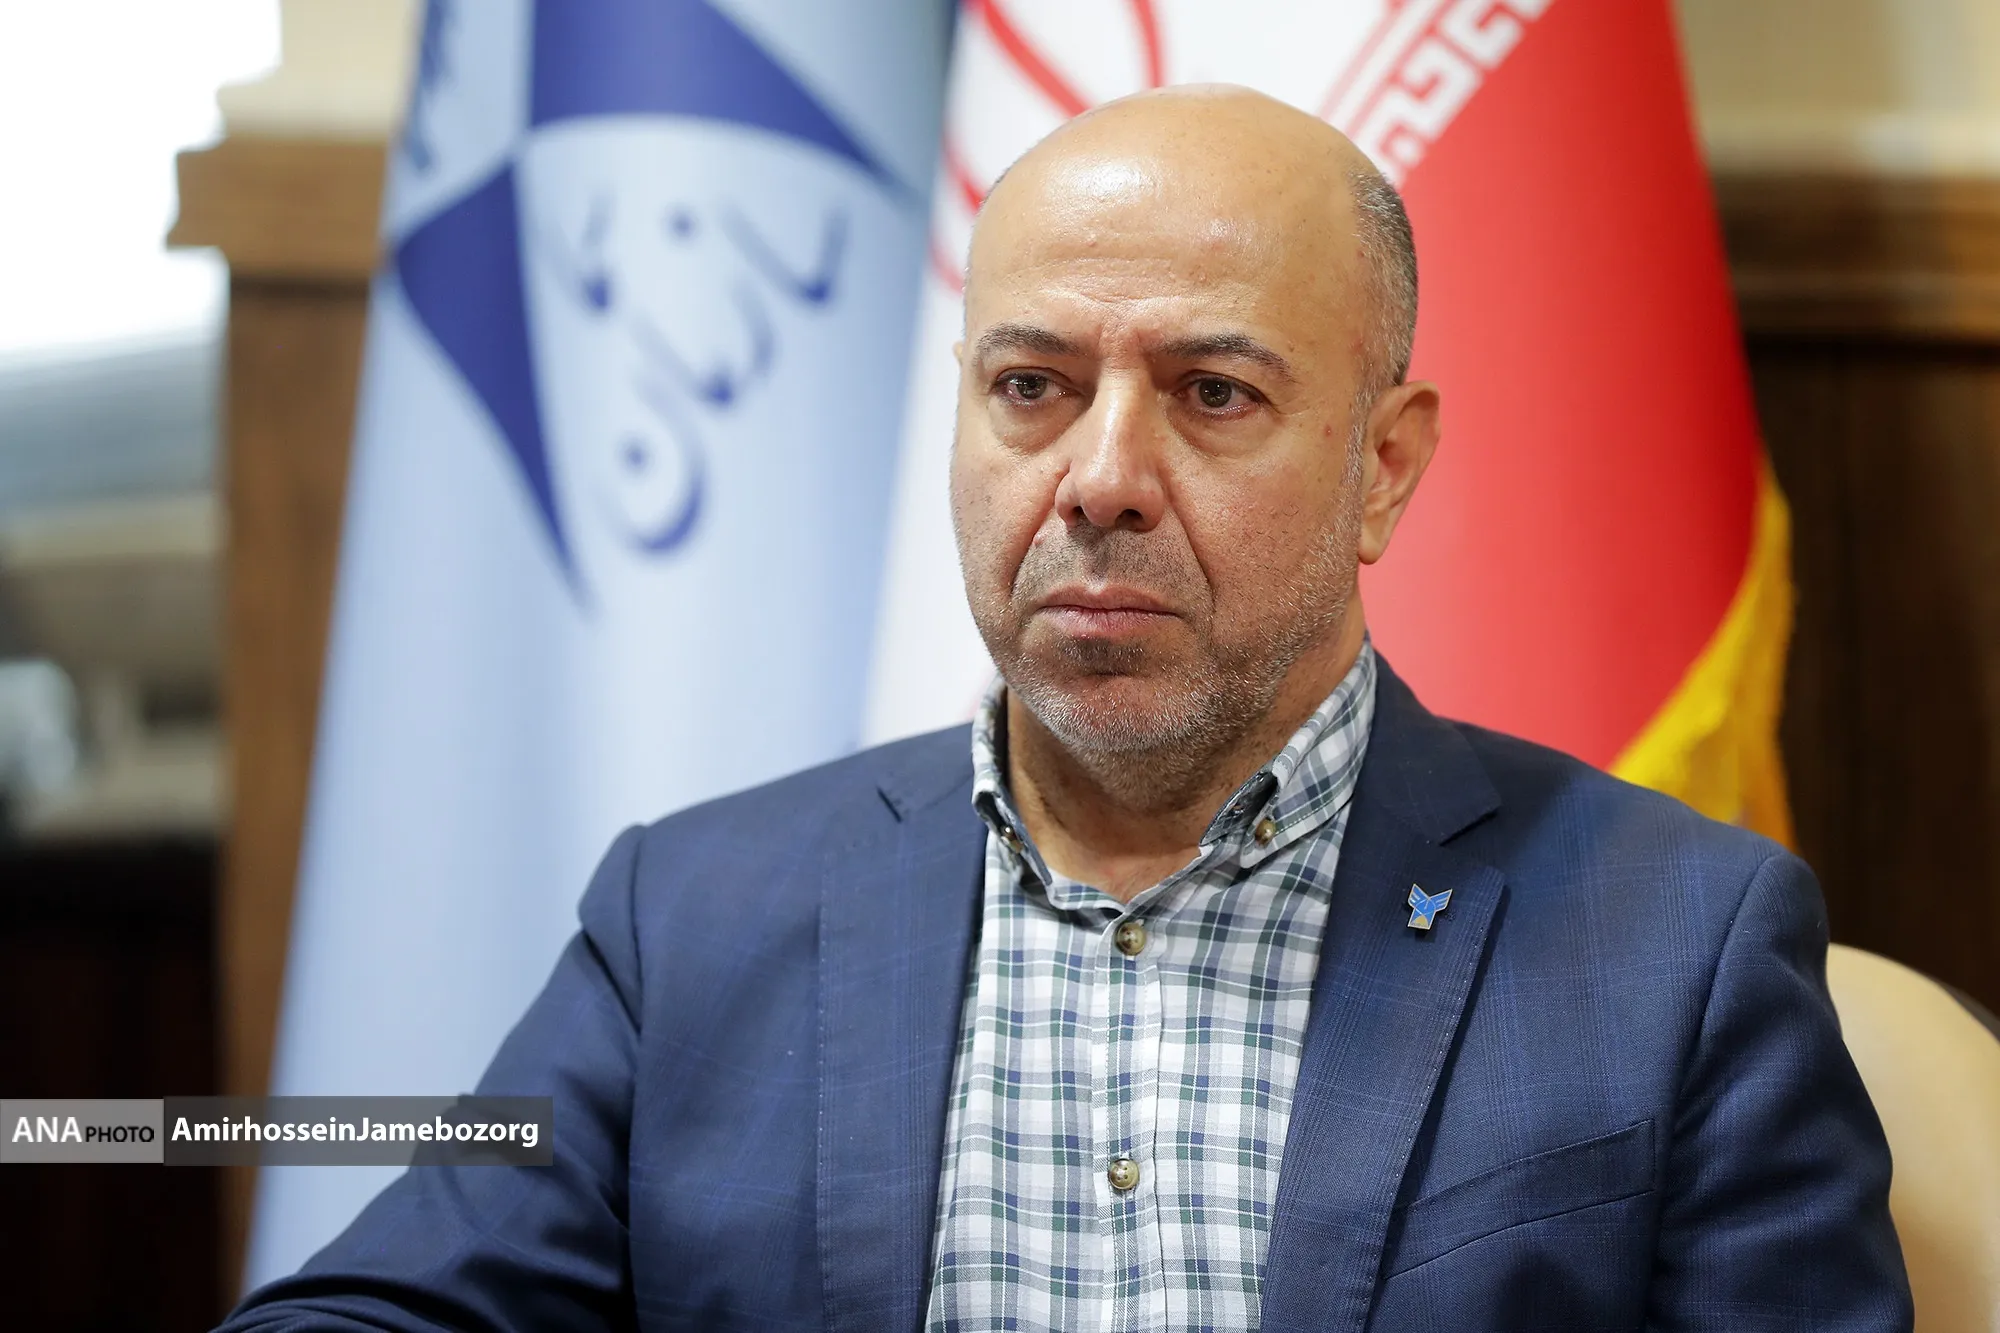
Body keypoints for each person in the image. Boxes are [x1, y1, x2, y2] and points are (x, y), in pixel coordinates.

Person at [219, 86, 1911, 1331]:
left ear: (1384, 467)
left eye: (1213, 394)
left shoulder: (1678, 950)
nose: (1100, 477)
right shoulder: (694, 920)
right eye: (1032, 386)